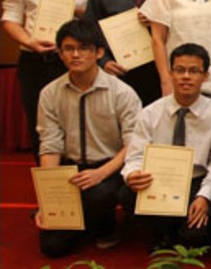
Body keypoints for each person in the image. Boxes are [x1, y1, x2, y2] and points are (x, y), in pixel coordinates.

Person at [1, 0, 102, 162]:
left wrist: (74, 5)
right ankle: (49, 192)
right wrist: (28, 41)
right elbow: (10, 18)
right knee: (41, 127)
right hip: (33, 60)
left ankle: (79, 190)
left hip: (74, 61)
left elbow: (96, 23)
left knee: (77, 125)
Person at [34, 19, 141, 257]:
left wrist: (100, 174)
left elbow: (133, 144)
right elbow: (49, 145)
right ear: (60, 54)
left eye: (84, 48)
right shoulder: (50, 93)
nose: (76, 55)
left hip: (109, 168)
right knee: (52, 248)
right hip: (69, 169)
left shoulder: (122, 93)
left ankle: (104, 224)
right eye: (69, 49)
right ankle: (81, 220)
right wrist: (49, 197)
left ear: (99, 52)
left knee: (100, 195)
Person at [120, 43, 211, 250]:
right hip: (160, 181)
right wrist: (132, 174)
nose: (186, 76)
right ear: (170, 73)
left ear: (205, 77)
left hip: (197, 181)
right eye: (180, 70)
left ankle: (184, 226)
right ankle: (162, 232)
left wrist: (204, 196)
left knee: (195, 236)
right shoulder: (150, 113)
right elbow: (134, 156)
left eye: (194, 71)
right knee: (125, 193)